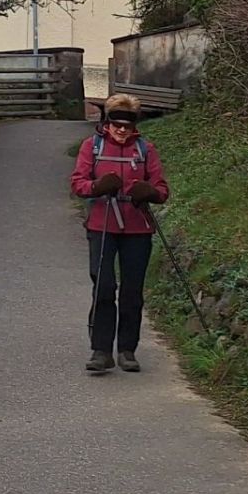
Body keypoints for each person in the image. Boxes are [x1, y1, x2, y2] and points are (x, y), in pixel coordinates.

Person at [70, 94, 170, 374]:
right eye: (117, 125)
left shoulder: (145, 149)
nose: (122, 130)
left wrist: (149, 193)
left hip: (137, 227)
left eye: (128, 125)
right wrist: (97, 187)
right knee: (103, 286)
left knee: (131, 290)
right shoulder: (92, 146)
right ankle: (101, 351)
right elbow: (78, 183)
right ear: (108, 122)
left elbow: (162, 189)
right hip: (102, 224)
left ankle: (127, 350)